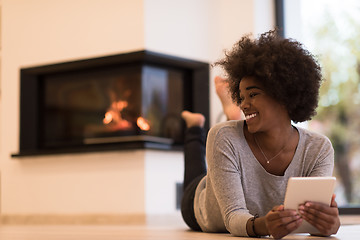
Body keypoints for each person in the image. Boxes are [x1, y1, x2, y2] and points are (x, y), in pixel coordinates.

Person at [180, 29, 340, 239]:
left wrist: (328, 224)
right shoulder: (222, 136)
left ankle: (230, 114)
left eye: (253, 94)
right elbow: (232, 217)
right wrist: (263, 226)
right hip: (201, 207)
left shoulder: (318, 148)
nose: (244, 104)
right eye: (242, 97)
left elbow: (311, 220)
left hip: (233, 160)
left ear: (284, 95)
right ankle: (194, 127)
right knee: (197, 172)